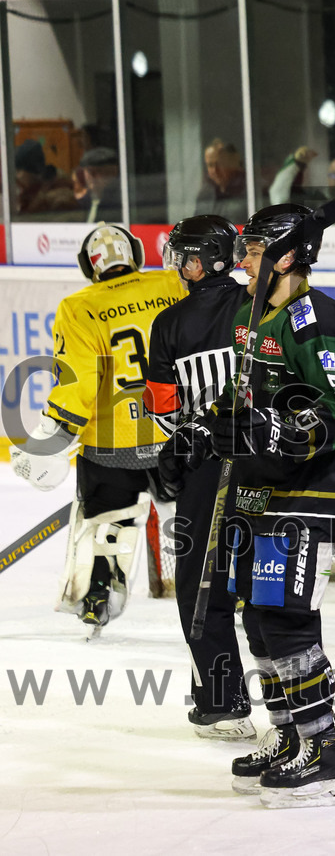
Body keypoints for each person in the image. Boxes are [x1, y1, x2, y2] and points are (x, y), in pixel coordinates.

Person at [165, 203, 335, 807]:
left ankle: (323, 745)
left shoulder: (314, 316)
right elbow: (240, 401)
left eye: (253, 251)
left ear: (285, 257)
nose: (242, 261)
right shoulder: (260, 316)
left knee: (286, 620)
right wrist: (203, 431)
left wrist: (262, 432)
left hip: (307, 494)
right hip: (259, 493)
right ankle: (289, 736)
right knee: (257, 617)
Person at [9, 225, 185, 630]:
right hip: (178, 435)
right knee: (203, 518)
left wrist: (53, 436)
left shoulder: (79, 306)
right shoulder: (172, 284)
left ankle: (98, 597)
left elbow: (79, 383)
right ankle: (233, 589)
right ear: (136, 254)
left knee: (106, 524)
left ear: (88, 266)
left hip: (112, 444)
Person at [144, 215, 256, 741]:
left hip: (207, 470)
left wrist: (184, 436)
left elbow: (164, 411)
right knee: (266, 585)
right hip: (266, 462)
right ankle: (294, 708)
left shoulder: (170, 324)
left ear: (207, 259)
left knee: (201, 585)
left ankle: (222, 702)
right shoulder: (259, 305)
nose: (179, 265)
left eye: (186, 255)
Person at [13, 138, 76, 216]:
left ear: (32, 172)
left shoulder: (58, 198)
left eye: (18, 171)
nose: (16, 177)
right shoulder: (28, 194)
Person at [196, 138, 247, 223]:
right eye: (210, 165)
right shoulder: (205, 193)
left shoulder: (251, 189)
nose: (215, 170)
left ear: (233, 162)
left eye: (219, 164)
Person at [75, 147, 122, 223]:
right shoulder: (80, 204)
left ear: (114, 173)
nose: (93, 177)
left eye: (99, 172)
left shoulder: (123, 206)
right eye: (90, 172)